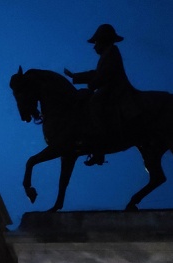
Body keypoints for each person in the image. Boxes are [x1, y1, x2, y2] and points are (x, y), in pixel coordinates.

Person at [64, 24, 136, 166]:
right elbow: (96, 73)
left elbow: (105, 74)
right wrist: (75, 76)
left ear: (103, 40)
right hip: (107, 88)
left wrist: (92, 86)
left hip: (115, 89)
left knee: (94, 103)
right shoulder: (106, 54)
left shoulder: (112, 52)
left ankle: (100, 143)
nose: (94, 46)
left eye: (96, 42)